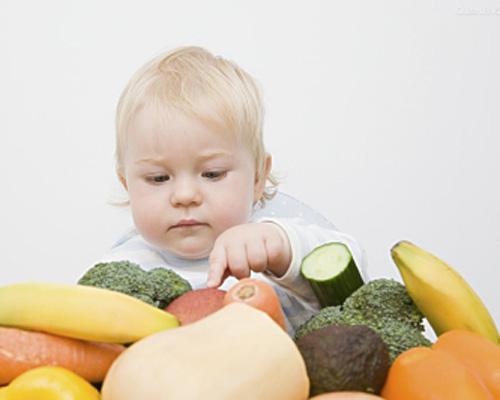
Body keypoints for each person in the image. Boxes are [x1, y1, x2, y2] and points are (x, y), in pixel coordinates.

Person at [99, 46, 366, 334]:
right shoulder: (122, 269)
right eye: (158, 178)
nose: (185, 195)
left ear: (257, 179)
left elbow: (358, 279)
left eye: (212, 174)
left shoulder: (270, 245)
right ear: (127, 185)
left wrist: (282, 249)